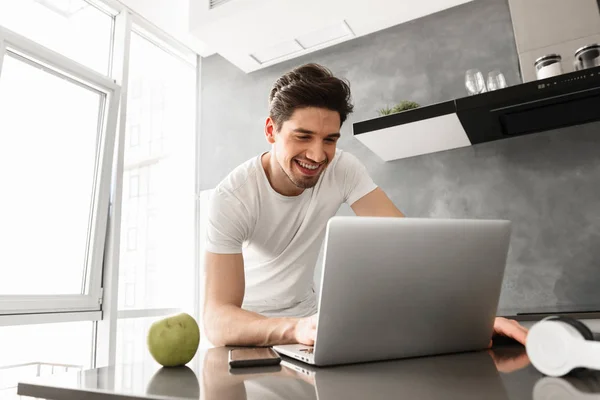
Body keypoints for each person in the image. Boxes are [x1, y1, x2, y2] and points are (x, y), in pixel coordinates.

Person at [202, 63, 528, 348]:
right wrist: (293, 328)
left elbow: (407, 248)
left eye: (330, 139)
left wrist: (468, 318)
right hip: (249, 334)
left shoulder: (343, 168)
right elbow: (218, 319)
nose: (318, 156)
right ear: (271, 130)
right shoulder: (232, 198)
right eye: (303, 137)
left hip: (311, 328)